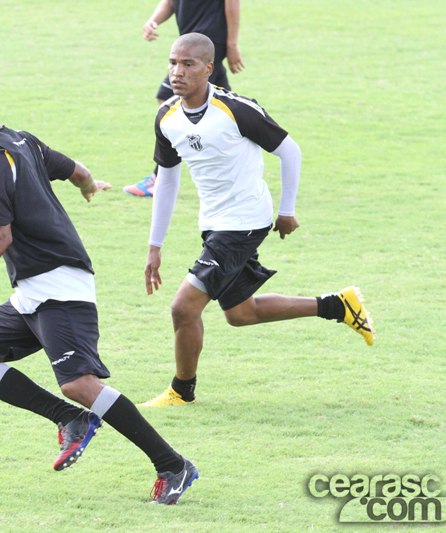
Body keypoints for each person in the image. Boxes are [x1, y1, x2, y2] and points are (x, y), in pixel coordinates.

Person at [0, 71, 197, 504]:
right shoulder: (24, 141)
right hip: (34, 289)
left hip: (57, 283)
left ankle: (172, 464)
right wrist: (89, 186)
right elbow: (77, 170)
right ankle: (70, 419)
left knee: (79, 382)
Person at [140, 34, 375, 407]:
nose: (176, 71)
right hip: (213, 222)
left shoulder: (236, 109)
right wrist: (155, 245)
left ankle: (181, 391)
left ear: (208, 68)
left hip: (245, 219)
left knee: (183, 307)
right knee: (240, 313)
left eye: (187, 64)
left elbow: (290, 150)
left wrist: (286, 211)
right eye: (172, 63)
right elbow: (166, 179)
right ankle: (338, 305)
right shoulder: (167, 116)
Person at [125, 0, 244, 197]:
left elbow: (232, 2)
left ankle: (160, 177)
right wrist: (153, 21)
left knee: (169, 100)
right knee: (226, 106)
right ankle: (235, 163)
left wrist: (232, 44)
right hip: (191, 42)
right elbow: (170, 2)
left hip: (208, 43)